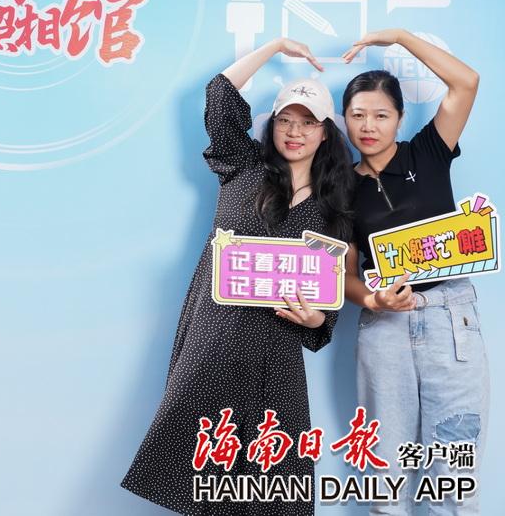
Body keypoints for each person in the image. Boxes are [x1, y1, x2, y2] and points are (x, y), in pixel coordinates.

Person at [122, 38, 354, 515]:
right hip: (217, 333)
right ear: (273, 124)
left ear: (325, 133)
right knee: (202, 466)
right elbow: (221, 93)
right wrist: (275, 46)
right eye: (285, 120)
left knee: (274, 477)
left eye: (308, 122)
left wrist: (316, 321)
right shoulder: (244, 166)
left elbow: (326, 299)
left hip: (276, 348)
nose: (294, 131)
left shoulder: (331, 210)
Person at [341, 29, 487, 515]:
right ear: (344, 118)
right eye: (357, 114)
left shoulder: (427, 151)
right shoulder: (339, 188)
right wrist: (373, 300)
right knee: (386, 485)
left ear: (399, 119)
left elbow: (466, 82)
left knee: (454, 483)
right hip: (384, 326)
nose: (369, 126)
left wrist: (401, 37)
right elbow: (346, 273)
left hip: (449, 317)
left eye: (381, 115)